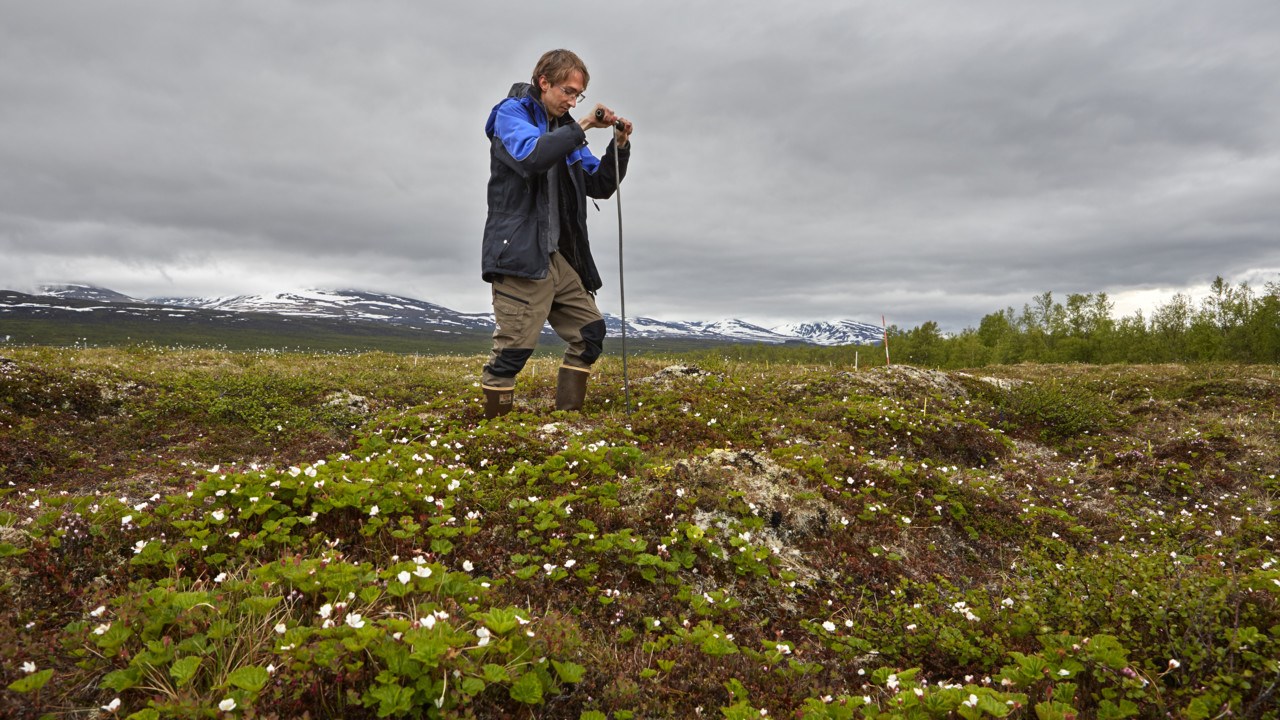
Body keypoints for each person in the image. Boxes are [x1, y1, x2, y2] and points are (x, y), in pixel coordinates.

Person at [479, 49, 633, 418]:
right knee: (513, 352)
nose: (572, 101)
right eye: (567, 91)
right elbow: (531, 156)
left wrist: (620, 145)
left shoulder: (566, 132)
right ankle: (495, 435)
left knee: (589, 332)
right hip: (519, 253)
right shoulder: (511, 114)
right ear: (544, 82)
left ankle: (567, 420)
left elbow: (599, 184)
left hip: (555, 257)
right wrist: (583, 124)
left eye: (578, 95)